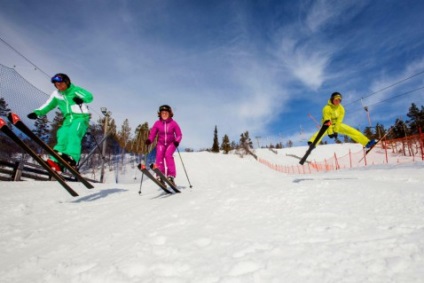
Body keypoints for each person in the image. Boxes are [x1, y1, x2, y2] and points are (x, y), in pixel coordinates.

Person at [27, 73, 93, 171]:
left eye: (61, 84)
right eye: (57, 85)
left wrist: (81, 99)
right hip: (68, 119)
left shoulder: (75, 90)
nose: (59, 87)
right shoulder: (56, 94)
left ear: (67, 82)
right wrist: (37, 113)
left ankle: (72, 158)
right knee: (62, 134)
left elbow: (89, 96)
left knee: (73, 133)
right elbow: (48, 105)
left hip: (81, 117)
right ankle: (56, 161)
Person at [308, 92, 376, 148]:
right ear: (332, 99)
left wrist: (336, 131)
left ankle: (367, 142)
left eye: (339, 100)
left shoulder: (341, 109)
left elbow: (339, 121)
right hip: (327, 124)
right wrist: (331, 132)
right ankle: (312, 142)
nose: (338, 101)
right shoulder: (326, 108)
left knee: (351, 131)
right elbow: (327, 121)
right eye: (336, 99)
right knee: (321, 132)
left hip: (337, 124)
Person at [145, 105, 182, 185]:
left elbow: (179, 134)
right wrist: (149, 140)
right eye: (162, 113)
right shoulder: (157, 123)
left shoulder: (173, 123)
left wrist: (177, 141)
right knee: (159, 157)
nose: (164, 114)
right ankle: (160, 176)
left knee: (168, 155)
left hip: (171, 143)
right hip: (161, 143)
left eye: (166, 113)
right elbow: (152, 134)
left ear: (169, 114)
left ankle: (171, 176)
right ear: (160, 114)